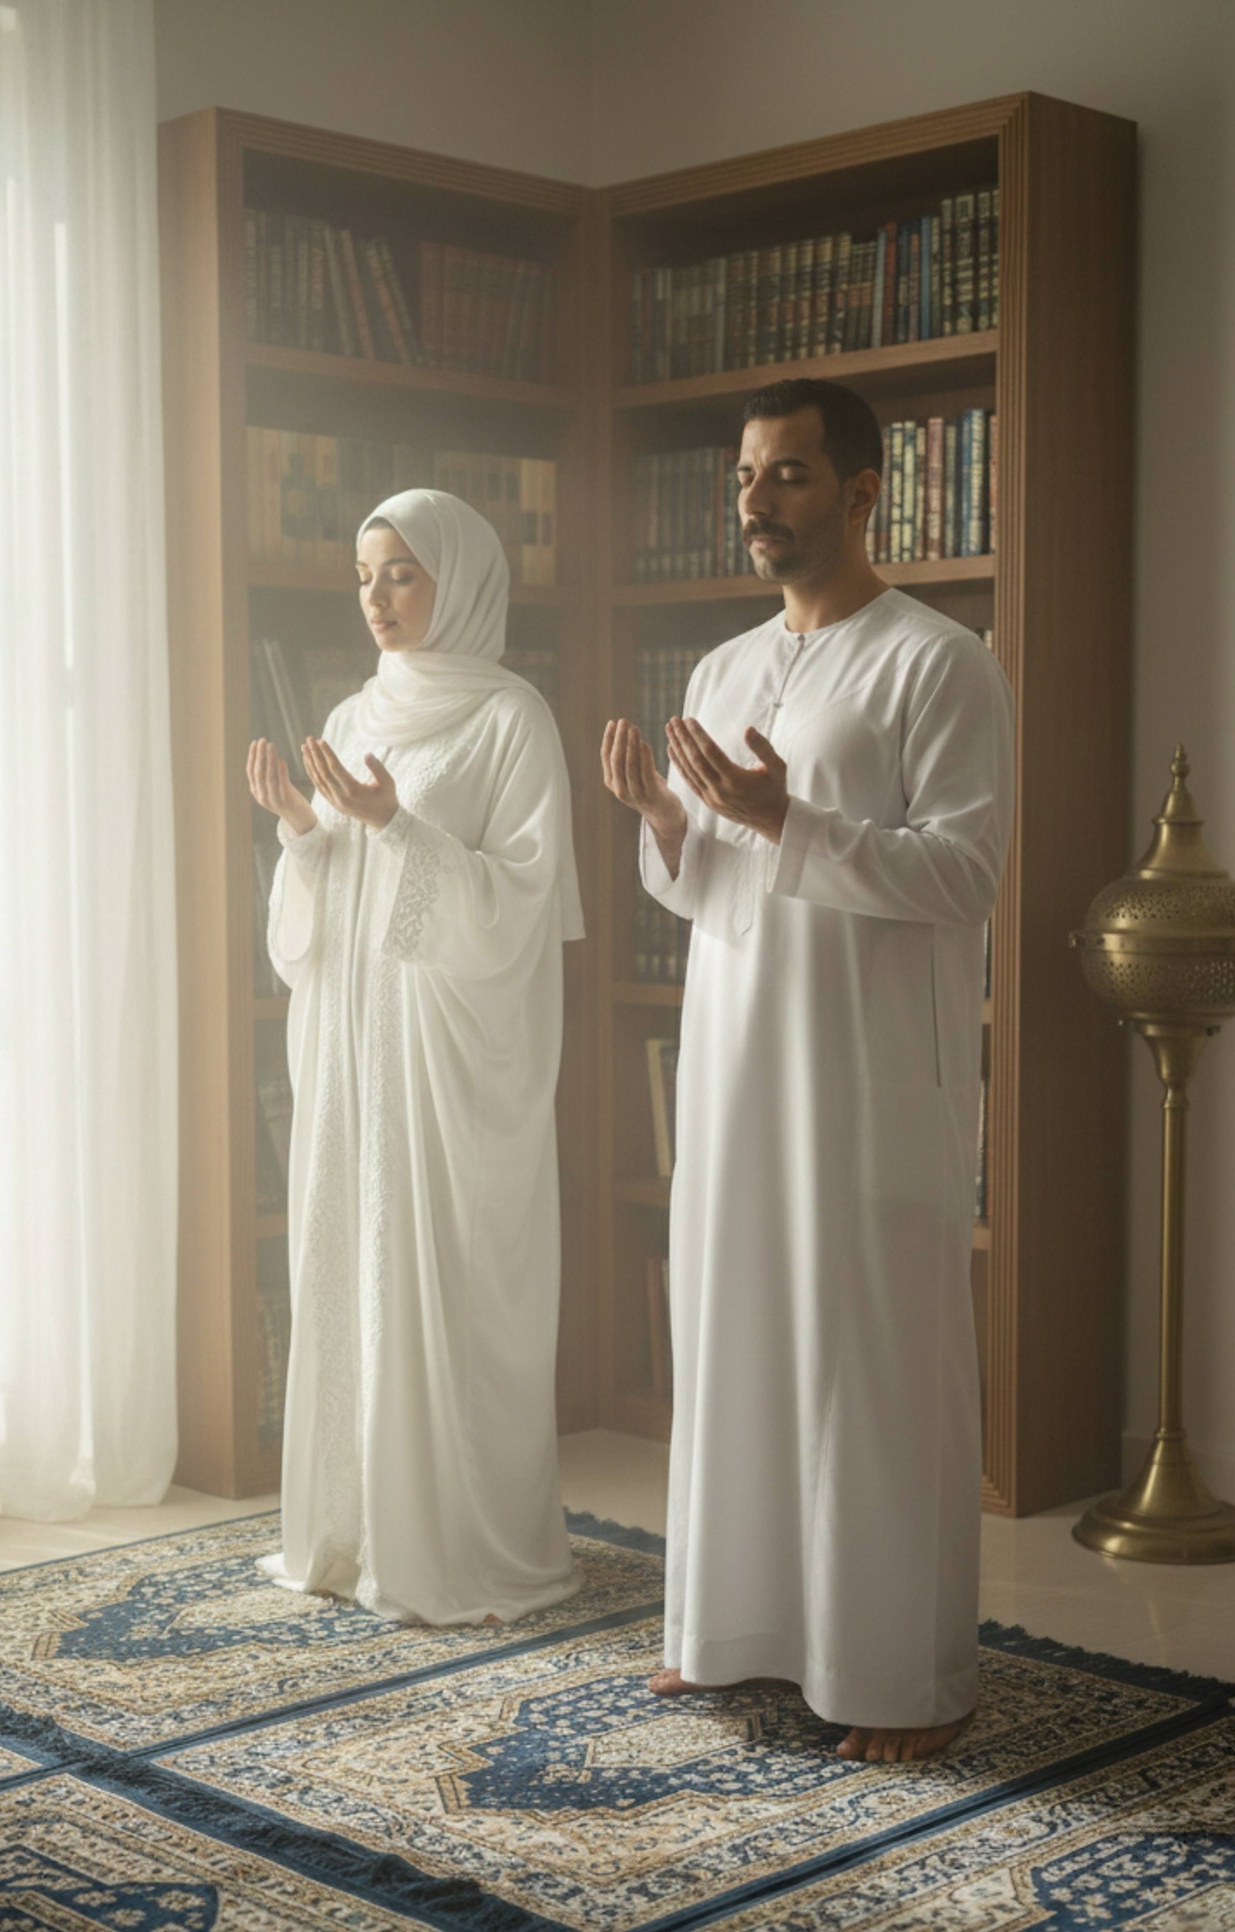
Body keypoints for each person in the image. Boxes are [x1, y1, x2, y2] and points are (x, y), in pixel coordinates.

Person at [602, 379, 1014, 1763]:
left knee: (866, 1362)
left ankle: (907, 1675)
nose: (755, 500)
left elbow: (964, 874)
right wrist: (666, 822)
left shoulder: (938, 664)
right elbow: (706, 885)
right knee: (735, 1332)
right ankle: (732, 1631)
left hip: (863, 1068)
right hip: (733, 1062)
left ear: (860, 490)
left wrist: (791, 819)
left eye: (785, 473)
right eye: (743, 476)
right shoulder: (721, 671)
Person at [246, 488, 584, 1625]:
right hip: (357, 1037)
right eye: (363, 575)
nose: (376, 597)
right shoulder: (353, 713)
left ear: (461, 579)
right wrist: (304, 832)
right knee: (353, 1251)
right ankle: (351, 1531)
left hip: (448, 1053)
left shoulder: (510, 718)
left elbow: (523, 901)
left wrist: (397, 824)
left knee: (444, 1267)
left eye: (400, 572)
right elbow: (329, 907)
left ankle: (451, 1541)